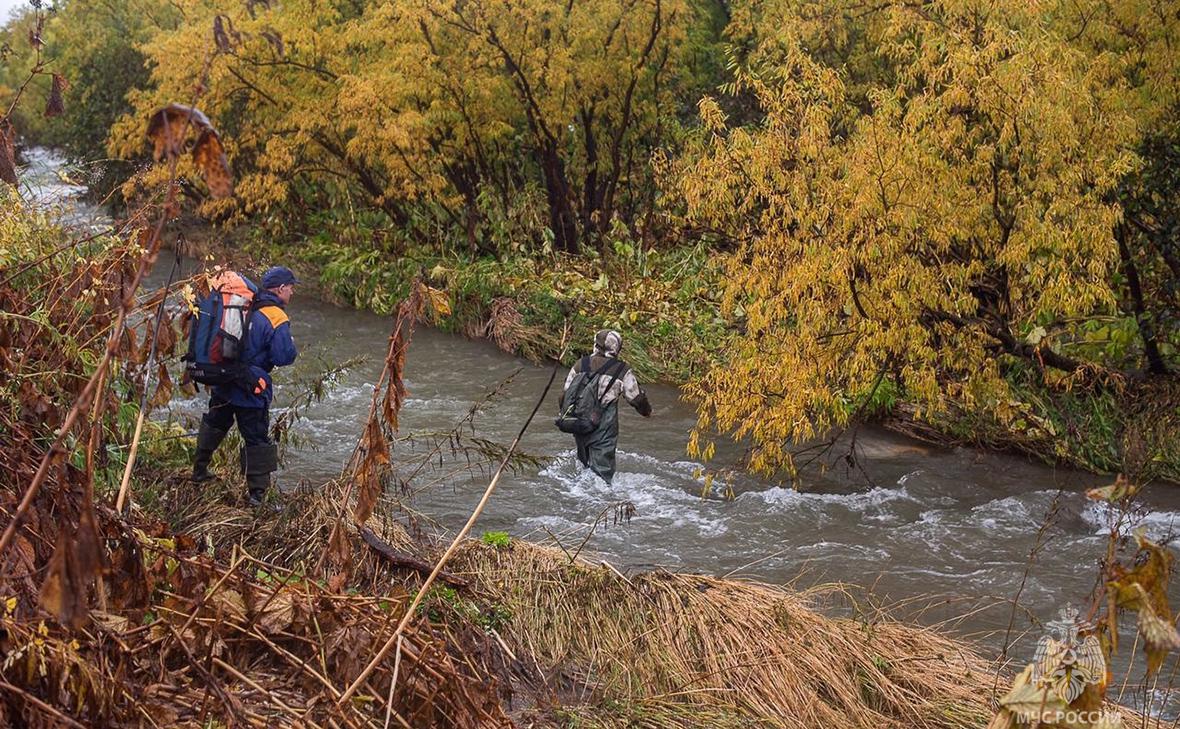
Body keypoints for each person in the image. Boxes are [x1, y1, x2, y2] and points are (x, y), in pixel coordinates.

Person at [191, 265, 299, 506]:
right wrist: (289, 343)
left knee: (216, 421)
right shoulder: (275, 316)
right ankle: (258, 496)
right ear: (281, 288)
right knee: (256, 437)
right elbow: (284, 357)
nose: (292, 293)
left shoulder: (243, 305)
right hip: (251, 388)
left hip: (224, 378)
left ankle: (199, 471)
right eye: (291, 288)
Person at [561, 329, 652, 484]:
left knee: (583, 464)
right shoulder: (621, 370)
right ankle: (602, 500)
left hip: (578, 421)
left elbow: (566, 393)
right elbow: (635, 398)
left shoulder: (580, 364)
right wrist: (647, 412)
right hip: (604, 424)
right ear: (616, 348)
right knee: (602, 473)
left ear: (595, 344)